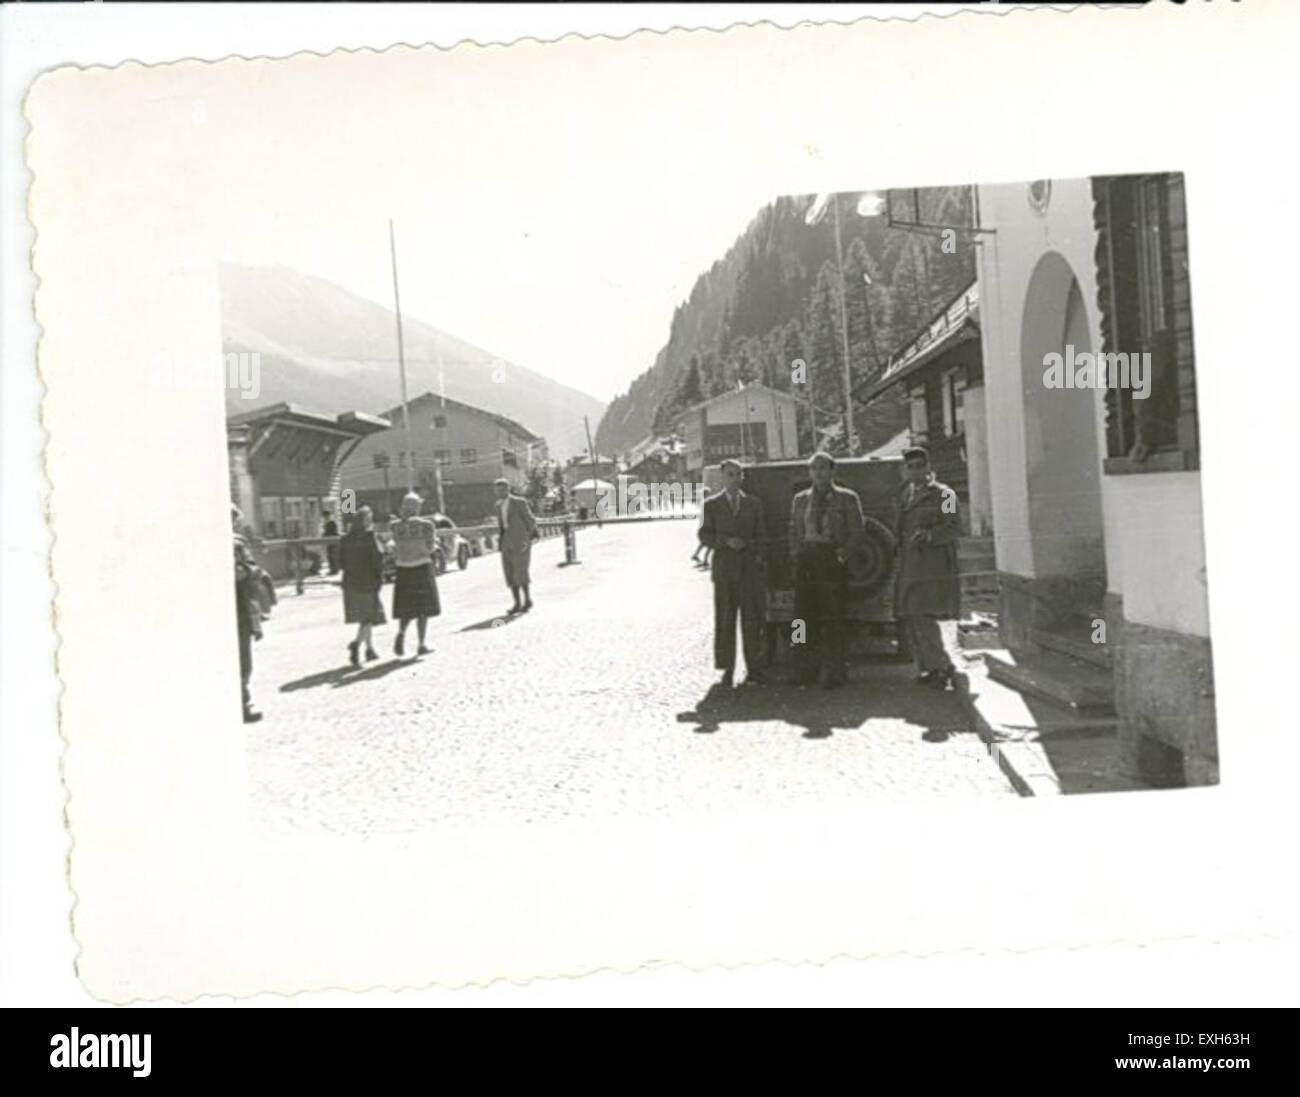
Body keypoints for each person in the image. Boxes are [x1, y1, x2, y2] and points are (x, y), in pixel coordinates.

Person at [788, 451, 865, 689]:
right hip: (807, 561)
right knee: (800, 619)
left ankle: (835, 672)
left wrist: (842, 555)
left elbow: (858, 531)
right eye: (814, 469)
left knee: (834, 618)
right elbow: (793, 529)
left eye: (822, 468)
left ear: (832, 471)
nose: (818, 473)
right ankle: (802, 669)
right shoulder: (800, 499)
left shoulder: (847, 498)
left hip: (831, 560)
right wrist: (796, 553)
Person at [894, 445, 961, 689]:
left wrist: (930, 535)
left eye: (920, 466)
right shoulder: (906, 494)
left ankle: (941, 666)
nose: (915, 471)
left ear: (929, 467)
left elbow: (954, 527)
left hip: (933, 566)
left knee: (924, 615)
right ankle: (930, 667)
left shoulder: (945, 495)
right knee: (913, 616)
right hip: (910, 565)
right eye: (910, 467)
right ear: (905, 470)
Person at [698, 459, 766, 687]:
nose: (735, 479)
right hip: (725, 572)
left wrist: (753, 550)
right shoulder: (711, 505)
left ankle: (754, 669)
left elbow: (761, 535)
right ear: (722, 477)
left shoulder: (754, 504)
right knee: (725, 621)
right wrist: (726, 541)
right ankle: (727, 669)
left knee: (752, 621)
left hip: (748, 571)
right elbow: (704, 535)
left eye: (738, 474)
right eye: (730, 475)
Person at [389, 492, 440, 656]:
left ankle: (402, 633)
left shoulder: (395, 526)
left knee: (406, 607)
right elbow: (431, 547)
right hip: (422, 566)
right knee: (423, 609)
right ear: (416, 507)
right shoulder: (427, 525)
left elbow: (393, 546)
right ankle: (421, 643)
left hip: (403, 568)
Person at [338, 505, 386, 666]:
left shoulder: (345, 539)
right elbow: (378, 558)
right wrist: (380, 577)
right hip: (368, 581)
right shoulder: (370, 537)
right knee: (369, 616)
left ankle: (370, 649)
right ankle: (357, 644)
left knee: (364, 617)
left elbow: (339, 562)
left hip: (350, 582)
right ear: (366, 521)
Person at [232, 504, 263, 723]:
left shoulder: (239, 543)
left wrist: (244, 571)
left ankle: (243, 703)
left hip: (241, 608)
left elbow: (255, 570)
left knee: (243, 660)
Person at [495, 477, 540, 614]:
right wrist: (500, 541)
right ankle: (517, 603)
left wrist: (529, 536)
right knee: (509, 573)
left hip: (520, 542)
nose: (500, 492)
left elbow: (530, 520)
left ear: (508, 489)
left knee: (520, 571)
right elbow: (501, 525)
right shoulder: (498, 505)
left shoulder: (519, 502)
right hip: (506, 543)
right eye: (498, 490)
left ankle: (527, 600)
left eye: (503, 489)